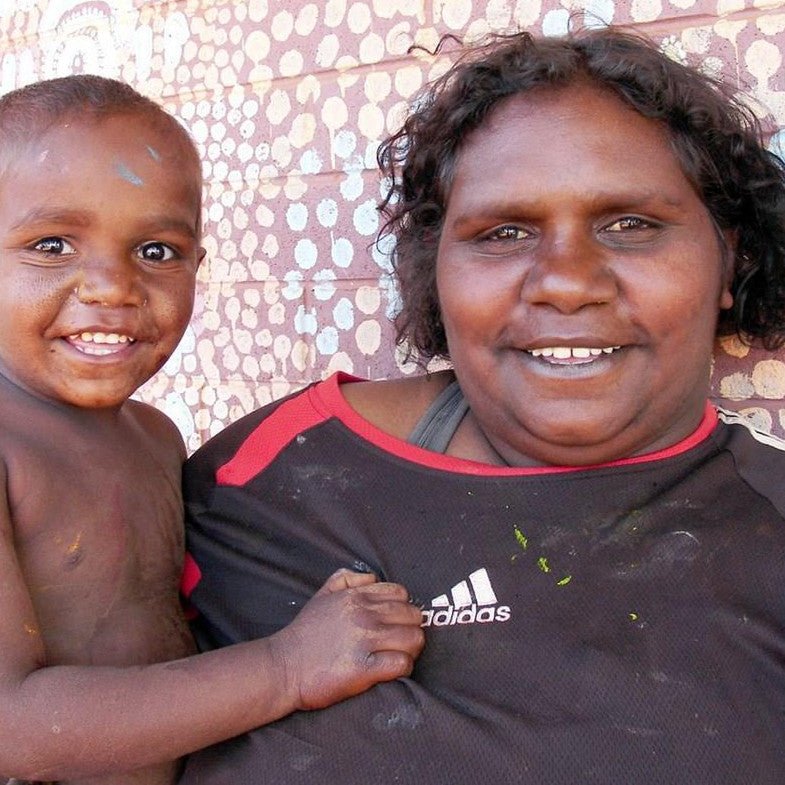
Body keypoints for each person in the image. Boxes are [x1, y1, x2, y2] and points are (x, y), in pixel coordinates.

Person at [180, 24, 785, 785]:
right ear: (436, 270)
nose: (565, 281)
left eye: (629, 226)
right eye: (502, 232)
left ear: (730, 257)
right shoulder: (267, 482)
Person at [0, 75, 424, 785]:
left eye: (157, 251)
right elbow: (10, 728)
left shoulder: (156, 436)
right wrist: (286, 667)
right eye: (52, 244)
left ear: (198, 266)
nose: (112, 285)